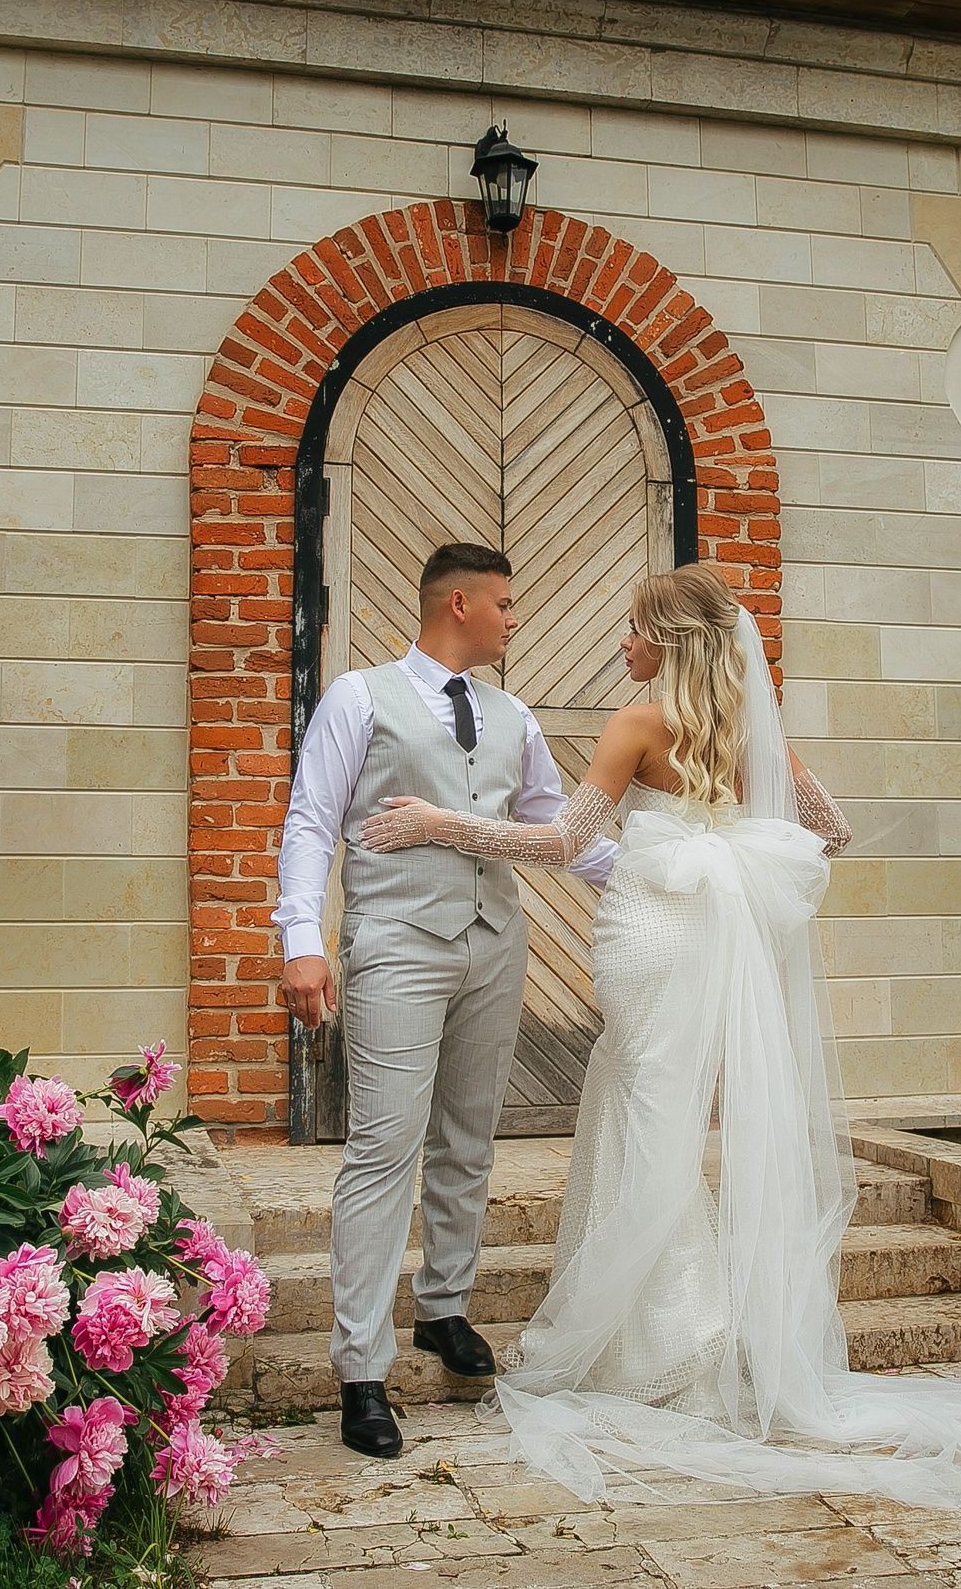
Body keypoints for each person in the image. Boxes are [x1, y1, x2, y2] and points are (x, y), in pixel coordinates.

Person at [359, 564, 961, 1508]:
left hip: (652, 935)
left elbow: (561, 842)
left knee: (638, 1114)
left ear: (672, 641)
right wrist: (736, 864)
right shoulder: (755, 733)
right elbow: (830, 829)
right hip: (708, 938)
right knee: (666, 1117)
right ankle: (672, 1323)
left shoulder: (636, 725)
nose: (621, 645)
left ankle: (663, 1333)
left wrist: (436, 823)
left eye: (632, 630)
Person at [275, 542, 617, 1461]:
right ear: (457, 603)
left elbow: (558, 834)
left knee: (469, 1135)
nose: (515, 618)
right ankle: (360, 1367)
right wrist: (301, 941)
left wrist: (661, 878)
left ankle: (446, 1307)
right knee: (384, 1148)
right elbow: (311, 818)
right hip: (395, 949)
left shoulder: (514, 716)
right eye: (504, 604)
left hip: (496, 948)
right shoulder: (360, 694)